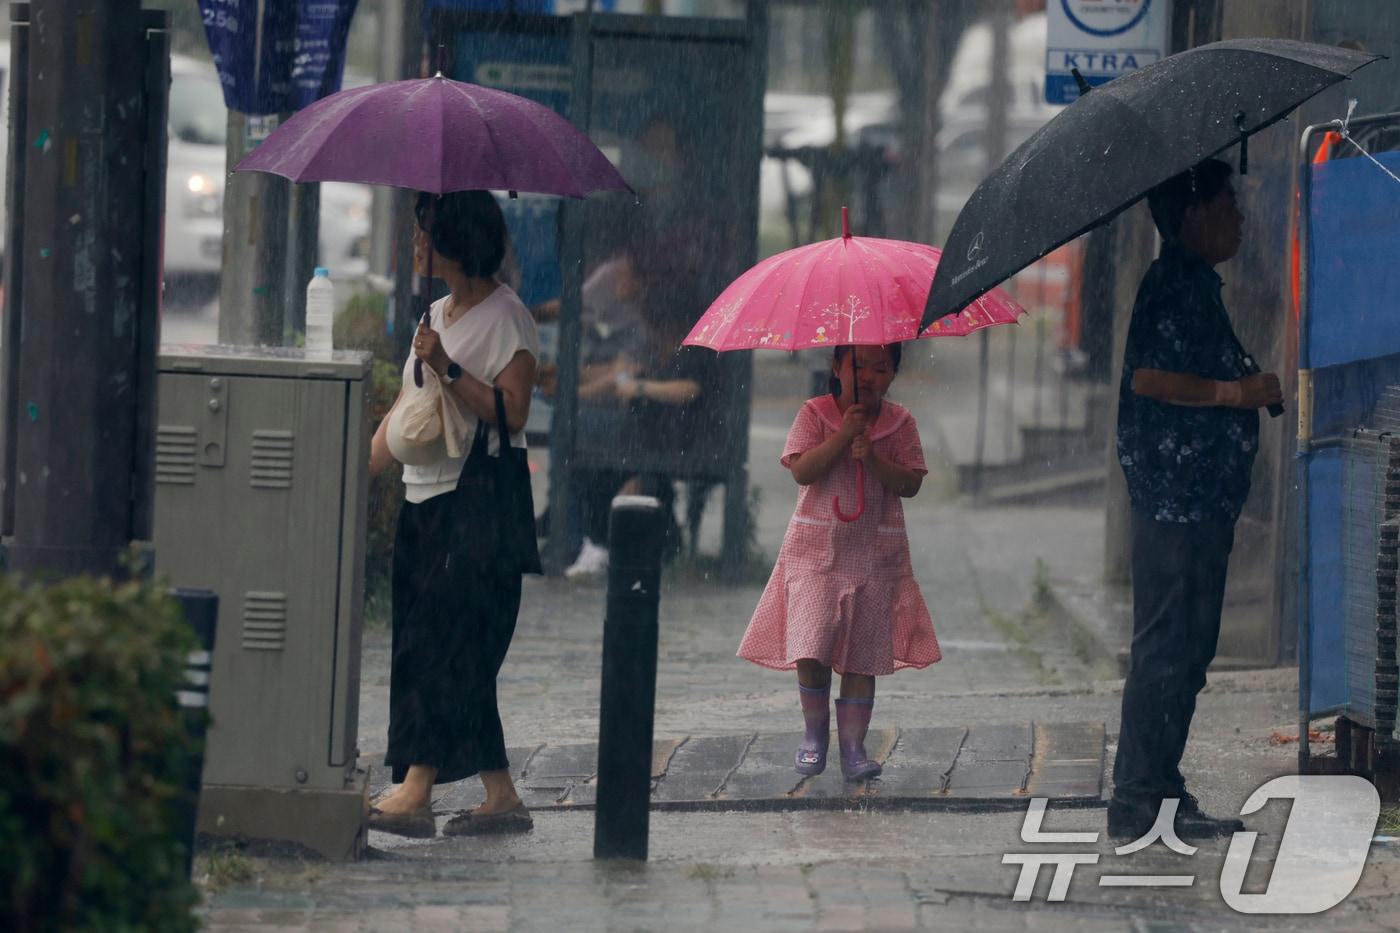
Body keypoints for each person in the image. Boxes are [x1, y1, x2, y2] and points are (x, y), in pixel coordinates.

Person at [1110, 158, 1284, 840]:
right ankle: (1137, 797)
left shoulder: (1194, 286)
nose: (1240, 216)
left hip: (1200, 500)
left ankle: (1161, 786)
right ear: (1191, 215)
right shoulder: (1173, 284)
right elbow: (1150, 378)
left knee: (1189, 646)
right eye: (1227, 203)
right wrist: (1233, 393)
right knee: (1168, 645)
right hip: (1175, 501)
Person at [367, 190, 541, 838]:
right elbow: (405, 410)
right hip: (423, 500)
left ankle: (416, 788)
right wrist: (359, 469)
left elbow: (513, 410)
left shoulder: (509, 320)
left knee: (444, 643)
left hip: (477, 504)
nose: (417, 245)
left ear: (457, 241)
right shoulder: (434, 311)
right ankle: (500, 794)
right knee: (436, 645)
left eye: (425, 232)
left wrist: (448, 364)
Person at [737, 344, 941, 779]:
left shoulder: (901, 423)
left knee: (862, 656)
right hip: (815, 552)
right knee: (810, 644)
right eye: (858, 365)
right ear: (836, 366)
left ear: (893, 374)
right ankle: (814, 734)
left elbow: (910, 484)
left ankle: (853, 747)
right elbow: (802, 471)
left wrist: (875, 459)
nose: (868, 375)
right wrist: (843, 436)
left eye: (880, 367)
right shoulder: (814, 414)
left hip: (874, 555)